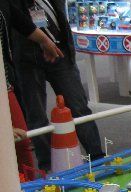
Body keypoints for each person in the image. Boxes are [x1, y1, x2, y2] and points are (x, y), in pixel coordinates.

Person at [11, 0, 104, 172]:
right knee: (36, 115)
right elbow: (16, 18)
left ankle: (98, 159)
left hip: (60, 52)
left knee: (79, 108)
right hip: (27, 59)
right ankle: (48, 167)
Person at [0, 0, 62, 176]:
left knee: (21, 141)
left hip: (5, 84)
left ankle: (28, 185)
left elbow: (21, 21)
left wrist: (45, 41)